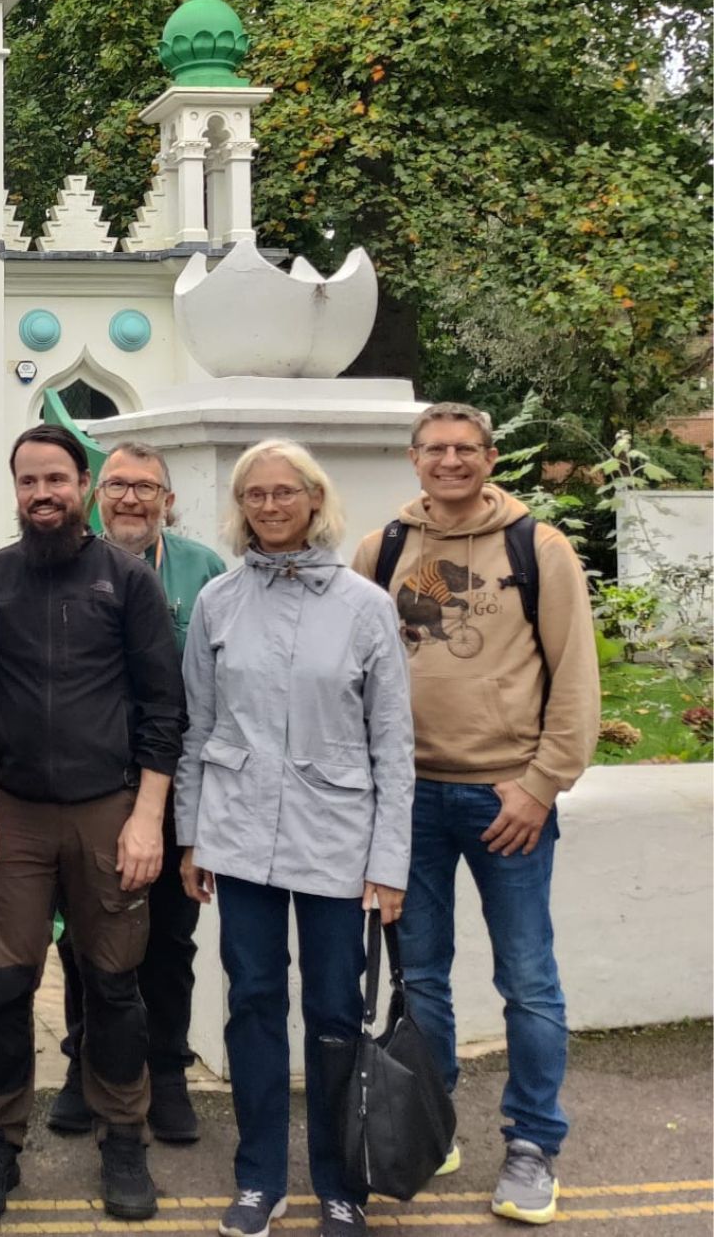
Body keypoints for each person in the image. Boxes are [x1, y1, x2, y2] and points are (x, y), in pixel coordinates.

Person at [350, 402, 598, 1226]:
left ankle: (532, 1143)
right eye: (436, 449)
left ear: (489, 458)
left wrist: (540, 785)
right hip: (408, 799)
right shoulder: (384, 548)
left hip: (506, 800)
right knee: (420, 977)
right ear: (414, 459)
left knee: (527, 981)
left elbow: (575, 680)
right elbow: (356, 672)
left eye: (466, 449)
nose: (451, 461)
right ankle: (435, 1118)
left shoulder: (540, 547)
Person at [0, 424, 185, 1224]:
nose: (41, 494)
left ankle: (123, 1138)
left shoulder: (127, 582)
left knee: (115, 983)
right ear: (14, 490)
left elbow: (163, 709)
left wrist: (148, 818)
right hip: (11, 810)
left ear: (82, 484)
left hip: (108, 809)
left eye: (56, 478)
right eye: (27, 481)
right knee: (3, 985)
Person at [175, 439, 413, 1237]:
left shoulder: (365, 606)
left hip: (336, 836)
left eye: (286, 493)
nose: (270, 507)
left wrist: (389, 864)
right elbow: (199, 727)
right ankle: (259, 1178)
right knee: (251, 1003)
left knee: (336, 1011)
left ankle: (340, 1183)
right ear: (241, 507)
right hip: (238, 835)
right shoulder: (218, 601)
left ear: (315, 500)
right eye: (255, 495)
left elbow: (393, 746)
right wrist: (192, 836)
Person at [48, 441, 225, 1144]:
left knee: (169, 941)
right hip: (88, 786)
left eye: (145, 487)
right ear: (96, 493)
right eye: (117, 484)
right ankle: (82, 1066)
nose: (129, 498)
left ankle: (168, 1071)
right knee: (83, 941)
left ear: (167, 500)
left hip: (174, 787)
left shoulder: (202, 571)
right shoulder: (65, 562)